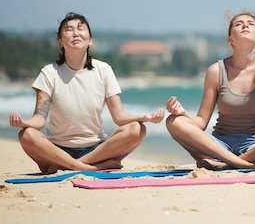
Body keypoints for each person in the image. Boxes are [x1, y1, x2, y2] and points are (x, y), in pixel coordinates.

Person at [9, 12, 164, 174]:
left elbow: (119, 117)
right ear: (60, 42)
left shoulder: (103, 70)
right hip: (57, 150)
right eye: (69, 29)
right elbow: (39, 118)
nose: (75, 32)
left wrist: (144, 117)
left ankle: (72, 166)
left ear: (90, 40)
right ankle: (92, 168)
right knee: (26, 135)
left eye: (80, 28)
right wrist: (24, 123)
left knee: (137, 129)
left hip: (96, 150)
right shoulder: (49, 73)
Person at [165, 10, 255, 170]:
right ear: (230, 39)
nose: (245, 25)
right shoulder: (216, 71)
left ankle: (226, 164)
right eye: (238, 24)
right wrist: (182, 113)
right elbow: (201, 122)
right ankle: (240, 164)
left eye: (251, 24)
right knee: (173, 121)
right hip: (219, 145)